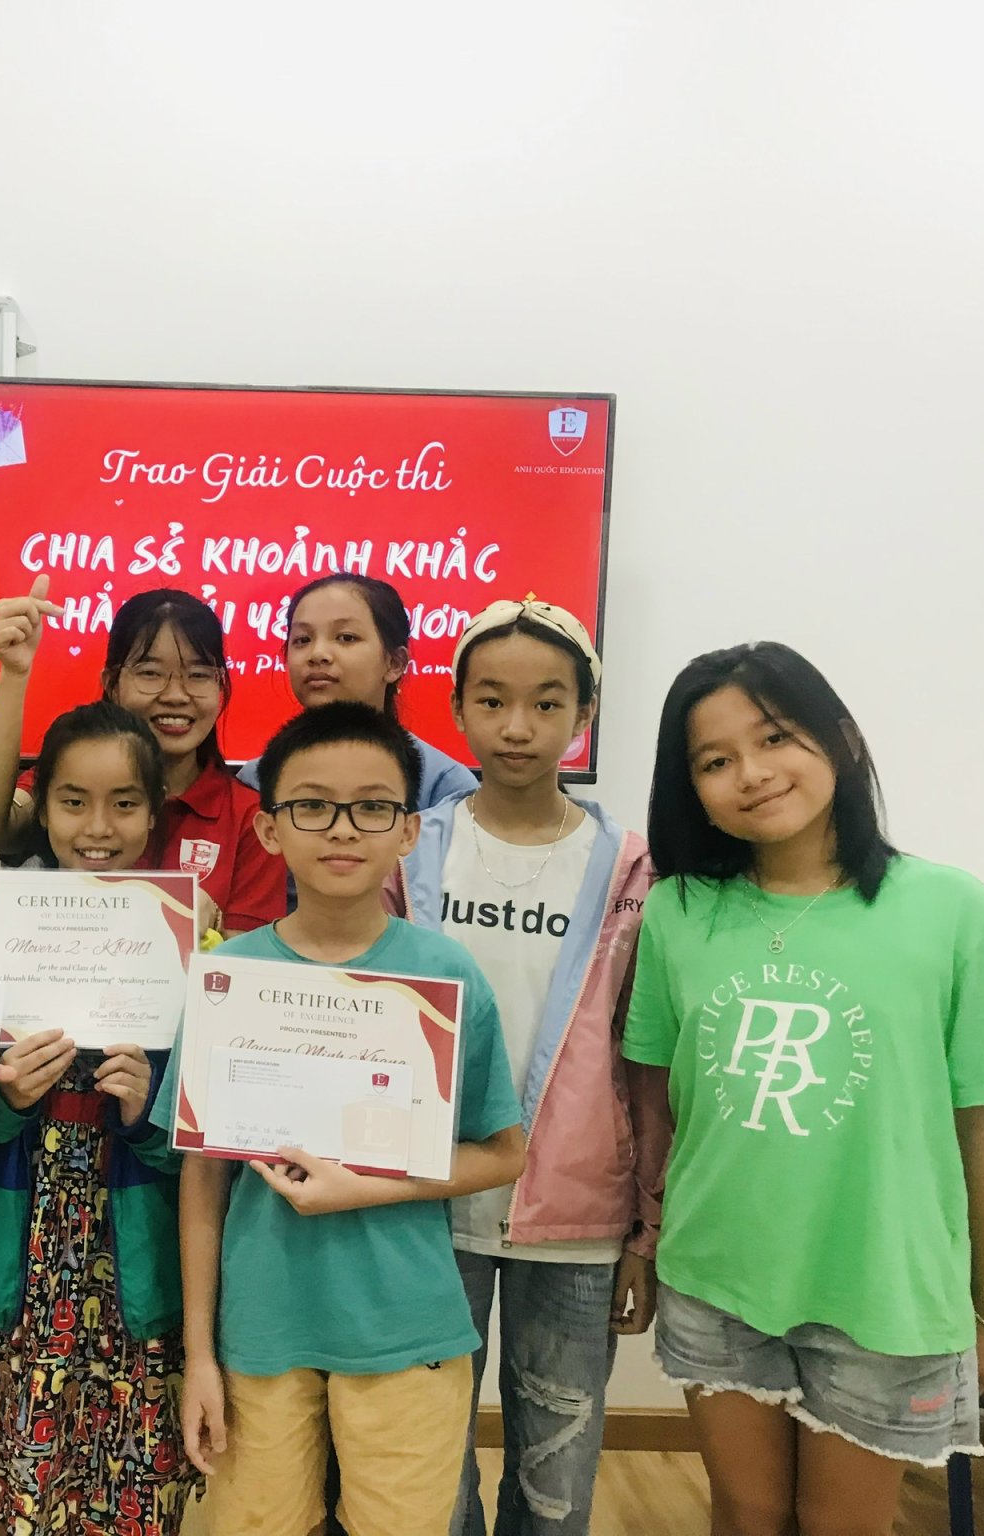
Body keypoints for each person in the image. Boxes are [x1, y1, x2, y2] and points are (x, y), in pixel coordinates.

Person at [621, 642, 984, 1536]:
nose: (751, 773)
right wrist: (643, 1244)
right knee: (746, 1514)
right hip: (716, 1278)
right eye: (714, 760)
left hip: (883, 1292)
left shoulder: (954, 911)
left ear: (841, 739)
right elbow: (658, 1105)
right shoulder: (676, 912)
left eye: (775, 737)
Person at [163, 701, 528, 1536]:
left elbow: (504, 1152)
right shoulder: (229, 976)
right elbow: (203, 1179)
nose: (342, 828)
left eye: (372, 807)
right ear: (268, 829)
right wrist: (199, 1355)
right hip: (259, 1330)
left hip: (405, 1327)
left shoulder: (444, 973)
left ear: (408, 832)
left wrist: (365, 1187)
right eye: (312, 806)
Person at [399, 597, 669, 1536]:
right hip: (429, 1204)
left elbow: (646, 1064)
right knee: (428, 1471)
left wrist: (647, 1231)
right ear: (457, 707)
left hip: (578, 1218)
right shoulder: (409, 848)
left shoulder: (633, 868)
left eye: (548, 703)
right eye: (493, 700)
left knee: (557, 1480)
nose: (518, 727)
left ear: (584, 712)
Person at [0, 700, 198, 1533]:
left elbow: (207, 1146)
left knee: (135, 1484)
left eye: (125, 803)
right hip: (21, 1257)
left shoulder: (191, 940)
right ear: (40, 805)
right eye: (73, 801)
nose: (98, 827)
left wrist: (150, 1114)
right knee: (25, 1480)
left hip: (140, 1260)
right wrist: (5, 1099)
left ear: (155, 810)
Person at [0, 578, 284, 940]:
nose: (176, 695)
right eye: (150, 673)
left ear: (220, 686)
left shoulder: (250, 819)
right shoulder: (69, 779)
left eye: (198, 675)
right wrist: (14, 674)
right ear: (112, 683)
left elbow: (243, 961)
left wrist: (213, 921)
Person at [236, 572, 479, 810]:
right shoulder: (254, 782)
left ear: (394, 663)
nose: (318, 654)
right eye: (302, 639)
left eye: (346, 637)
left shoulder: (445, 787)